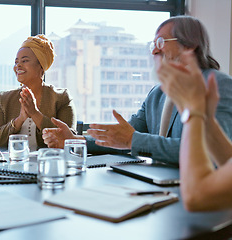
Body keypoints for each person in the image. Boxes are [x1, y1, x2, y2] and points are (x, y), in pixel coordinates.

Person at [42, 16, 232, 165]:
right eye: (152, 45)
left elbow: (208, 151)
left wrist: (132, 140)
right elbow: (125, 137)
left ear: (190, 45)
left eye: (160, 43)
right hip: (159, 184)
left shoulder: (217, 84)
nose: (154, 52)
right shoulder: (157, 94)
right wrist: (75, 141)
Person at [156, 50, 232, 211]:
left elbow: (196, 196)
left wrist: (193, 112)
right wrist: (207, 119)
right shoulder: (155, 94)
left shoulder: (222, 82)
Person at [0, 34, 76, 151]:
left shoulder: (61, 98)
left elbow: (69, 140)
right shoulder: (4, 98)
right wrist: (19, 120)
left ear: (41, 66)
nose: (18, 65)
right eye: (16, 62)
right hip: (13, 164)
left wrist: (34, 113)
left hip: (50, 164)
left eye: (24, 60)